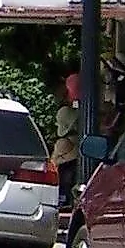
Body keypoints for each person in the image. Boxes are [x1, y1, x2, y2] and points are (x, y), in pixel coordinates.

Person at [51, 72, 82, 209]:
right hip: (70, 149)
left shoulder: (67, 111)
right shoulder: (67, 111)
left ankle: (64, 198)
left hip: (68, 150)